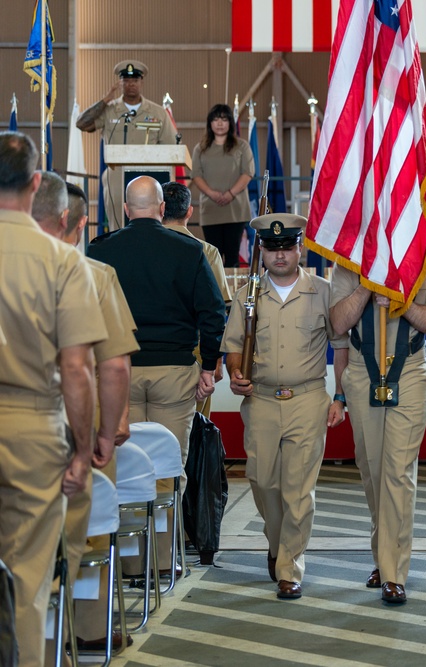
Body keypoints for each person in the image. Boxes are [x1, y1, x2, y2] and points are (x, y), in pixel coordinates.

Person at [0, 131, 106, 667]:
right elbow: (76, 369)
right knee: (27, 581)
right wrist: (82, 453)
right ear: (36, 183)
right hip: (33, 428)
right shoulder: (63, 263)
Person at [88, 175, 226, 573]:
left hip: (120, 373)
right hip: (175, 372)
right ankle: (165, 561)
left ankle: (129, 565)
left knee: (125, 465)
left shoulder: (101, 250)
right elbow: (213, 313)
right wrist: (207, 365)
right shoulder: (188, 250)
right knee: (168, 466)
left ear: (127, 209)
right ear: (163, 209)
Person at [32, 174, 140, 652]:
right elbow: (114, 366)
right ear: (75, 227)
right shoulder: (95, 277)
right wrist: (109, 427)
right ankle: (88, 632)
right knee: (93, 530)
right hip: (80, 425)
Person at [223, 213, 345, 600]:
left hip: (307, 399)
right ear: (262, 251)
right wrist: (233, 372)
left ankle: (290, 566)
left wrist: (339, 396)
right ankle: (276, 542)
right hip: (260, 399)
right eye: (272, 249)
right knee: (262, 481)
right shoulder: (248, 295)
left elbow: (340, 347)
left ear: (300, 248)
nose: (279, 255)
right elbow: (234, 346)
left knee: (298, 489)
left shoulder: (323, 292)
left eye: (287, 247)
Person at [331, 252, 426, 604]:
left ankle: (393, 572)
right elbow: (338, 323)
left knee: (397, 471)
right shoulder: (346, 260)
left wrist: (400, 300)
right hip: (361, 368)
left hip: (410, 369)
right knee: (373, 469)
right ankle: (383, 556)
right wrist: (367, 289)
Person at [162, 181, 232, 416]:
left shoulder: (143, 249)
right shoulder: (207, 251)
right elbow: (218, 309)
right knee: (194, 427)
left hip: (150, 348)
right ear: (189, 211)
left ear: (159, 209)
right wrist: (216, 360)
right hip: (197, 351)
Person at [75, 60, 172, 230]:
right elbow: (81, 124)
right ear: (120, 83)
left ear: (141, 82)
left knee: (152, 226)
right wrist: (105, 100)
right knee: (118, 226)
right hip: (116, 176)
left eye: (135, 80)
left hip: (149, 178)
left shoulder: (157, 113)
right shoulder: (110, 110)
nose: (131, 84)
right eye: (126, 80)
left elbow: (170, 148)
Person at [190, 104, 255, 267]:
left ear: (230, 123)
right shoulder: (200, 148)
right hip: (210, 209)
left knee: (233, 258)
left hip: (236, 210)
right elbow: (196, 175)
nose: (220, 123)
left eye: (224, 119)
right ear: (210, 123)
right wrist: (212, 194)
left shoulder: (242, 146)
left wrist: (230, 194)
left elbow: (247, 173)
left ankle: (233, 292)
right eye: (216, 119)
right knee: (213, 259)